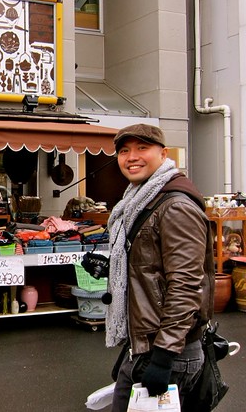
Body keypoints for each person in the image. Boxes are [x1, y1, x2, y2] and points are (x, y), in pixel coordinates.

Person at [104, 124, 214, 411]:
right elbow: (150, 268)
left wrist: (164, 357)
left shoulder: (175, 206)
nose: (132, 157)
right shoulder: (139, 200)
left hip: (169, 350)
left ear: (163, 154)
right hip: (146, 345)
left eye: (142, 148)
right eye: (124, 151)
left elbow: (187, 285)